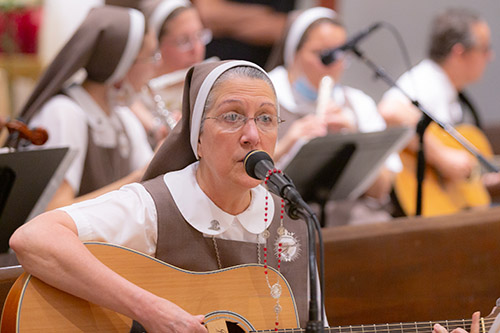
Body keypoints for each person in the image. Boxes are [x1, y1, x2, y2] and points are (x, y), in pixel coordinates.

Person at [9, 60, 309, 331]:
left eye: (266, 118)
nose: (252, 135)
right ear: (198, 138)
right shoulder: (157, 206)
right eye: (232, 116)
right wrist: (149, 309)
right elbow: (33, 238)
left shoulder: (293, 220)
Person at [5, 6, 156, 211]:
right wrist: (137, 178)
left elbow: (154, 185)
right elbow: (55, 209)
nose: (154, 67)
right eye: (151, 57)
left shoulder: (122, 117)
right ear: (122, 64)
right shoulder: (64, 113)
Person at [267, 7, 401, 226]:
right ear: (294, 53)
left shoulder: (357, 103)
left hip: (351, 224)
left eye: (341, 54)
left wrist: (354, 139)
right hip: (284, 224)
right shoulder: (264, 98)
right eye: (324, 55)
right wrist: (288, 142)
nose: (334, 65)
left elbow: (381, 190)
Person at [378, 8, 496, 202]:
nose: (490, 56)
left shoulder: (450, 90)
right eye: (484, 49)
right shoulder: (427, 79)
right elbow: (390, 111)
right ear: (459, 52)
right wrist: (442, 156)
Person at [109, 0, 212, 147]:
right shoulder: (131, 99)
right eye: (183, 41)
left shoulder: (211, 88)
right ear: (155, 46)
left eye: (200, 36)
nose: (197, 49)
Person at [194, 0, 295, 67]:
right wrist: (264, 15)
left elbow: (281, 29)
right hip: (211, 65)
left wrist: (225, 22)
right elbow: (208, 14)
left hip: (263, 72)